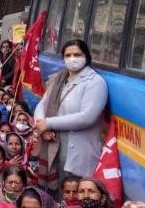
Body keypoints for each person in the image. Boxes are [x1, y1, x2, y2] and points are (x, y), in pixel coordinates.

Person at [34, 40, 108, 192]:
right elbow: (42, 105)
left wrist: (49, 123)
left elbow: (87, 117)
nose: (72, 58)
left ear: (86, 56)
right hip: (55, 146)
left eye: (77, 54)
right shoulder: (59, 79)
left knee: (77, 193)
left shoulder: (95, 82)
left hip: (79, 152)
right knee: (59, 193)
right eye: (68, 55)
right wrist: (43, 128)